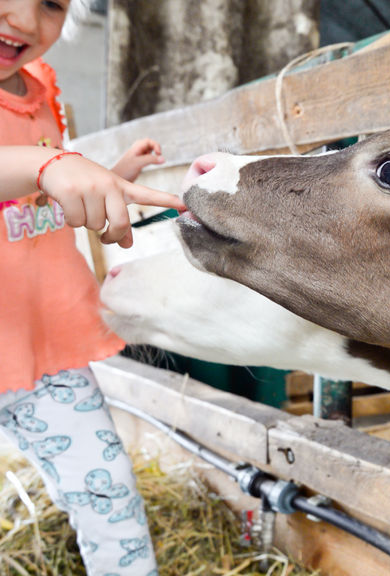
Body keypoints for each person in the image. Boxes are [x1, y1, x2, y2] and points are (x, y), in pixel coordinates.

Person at [0, 0, 185, 573]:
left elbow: (45, 199)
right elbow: (41, 169)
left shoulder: (42, 86)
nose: (26, 21)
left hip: (45, 348)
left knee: (107, 493)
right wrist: (49, 163)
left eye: (52, 3)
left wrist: (112, 176)